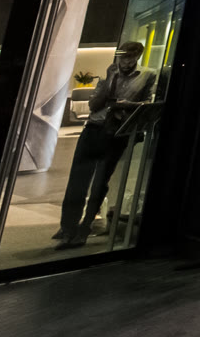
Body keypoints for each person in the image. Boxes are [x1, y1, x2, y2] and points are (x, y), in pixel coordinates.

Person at [55, 40, 154, 249]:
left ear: (137, 57)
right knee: (77, 180)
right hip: (94, 128)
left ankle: (85, 227)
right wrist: (110, 80)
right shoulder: (110, 74)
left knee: (100, 182)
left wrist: (127, 106)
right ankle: (68, 227)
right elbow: (94, 105)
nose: (125, 62)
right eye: (123, 57)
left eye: (130, 58)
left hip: (117, 133)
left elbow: (147, 104)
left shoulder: (147, 75)